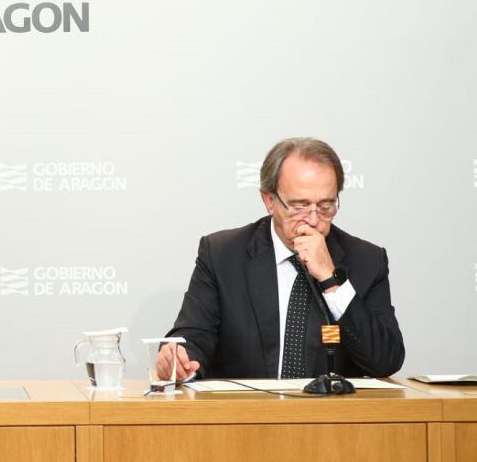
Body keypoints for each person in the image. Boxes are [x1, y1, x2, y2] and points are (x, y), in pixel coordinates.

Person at [157, 138, 404, 381]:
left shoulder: (367, 260)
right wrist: (180, 358)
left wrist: (332, 280)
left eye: (326, 206)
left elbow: (385, 361)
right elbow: (193, 337)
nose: (314, 219)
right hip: (245, 414)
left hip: (330, 417)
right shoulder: (222, 255)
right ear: (269, 200)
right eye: (300, 206)